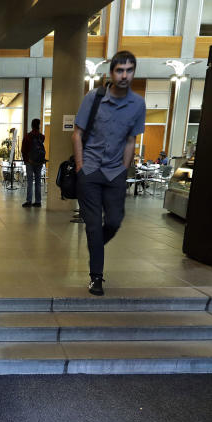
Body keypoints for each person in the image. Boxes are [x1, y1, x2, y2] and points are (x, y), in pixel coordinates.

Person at [72, 50, 145, 295]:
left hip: (115, 173)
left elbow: (130, 140)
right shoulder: (93, 98)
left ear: (134, 72)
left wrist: (124, 170)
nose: (124, 75)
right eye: (119, 70)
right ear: (111, 73)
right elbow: (77, 134)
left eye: (129, 70)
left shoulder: (137, 104)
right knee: (93, 225)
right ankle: (96, 277)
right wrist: (81, 167)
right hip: (90, 170)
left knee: (113, 221)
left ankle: (96, 247)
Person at [20, 118, 45, 208]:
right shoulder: (42, 136)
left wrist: (27, 160)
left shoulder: (27, 136)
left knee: (30, 182)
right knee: (38, 181)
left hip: (30, 162)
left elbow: (23, 150)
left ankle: (29, 201)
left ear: (32, 125)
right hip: (39, 162)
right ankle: (38, 201)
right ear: (39, 126)